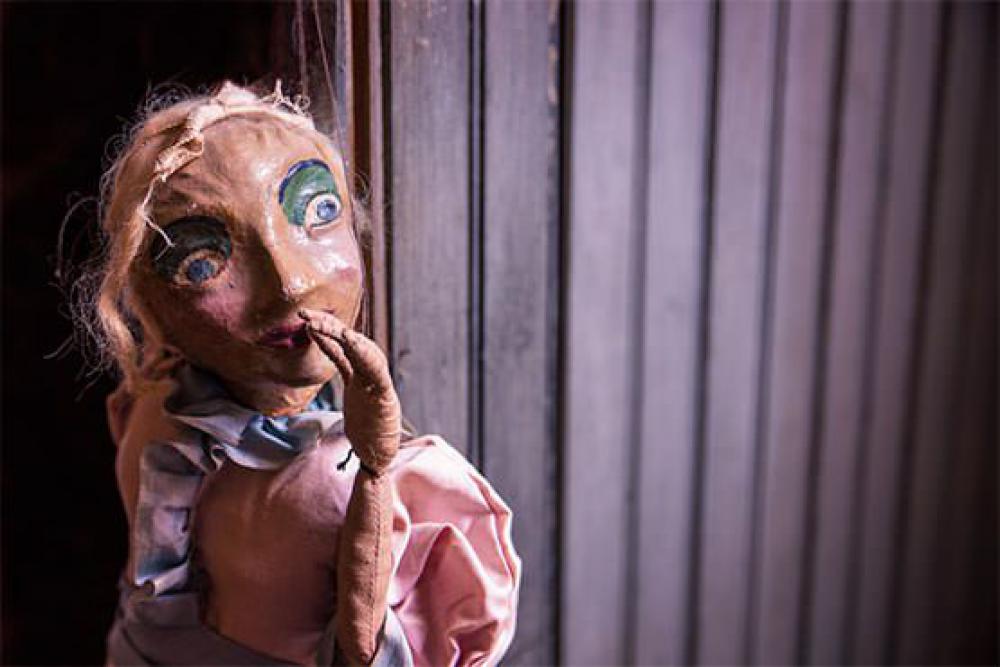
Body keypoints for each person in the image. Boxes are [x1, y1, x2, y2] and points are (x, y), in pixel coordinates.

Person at [87, 81, 520, 666]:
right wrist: (373, 472)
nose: (291, 284)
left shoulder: (151, 400)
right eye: (203, 261)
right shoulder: (331, 483)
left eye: (319, 213)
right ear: (152, 306)